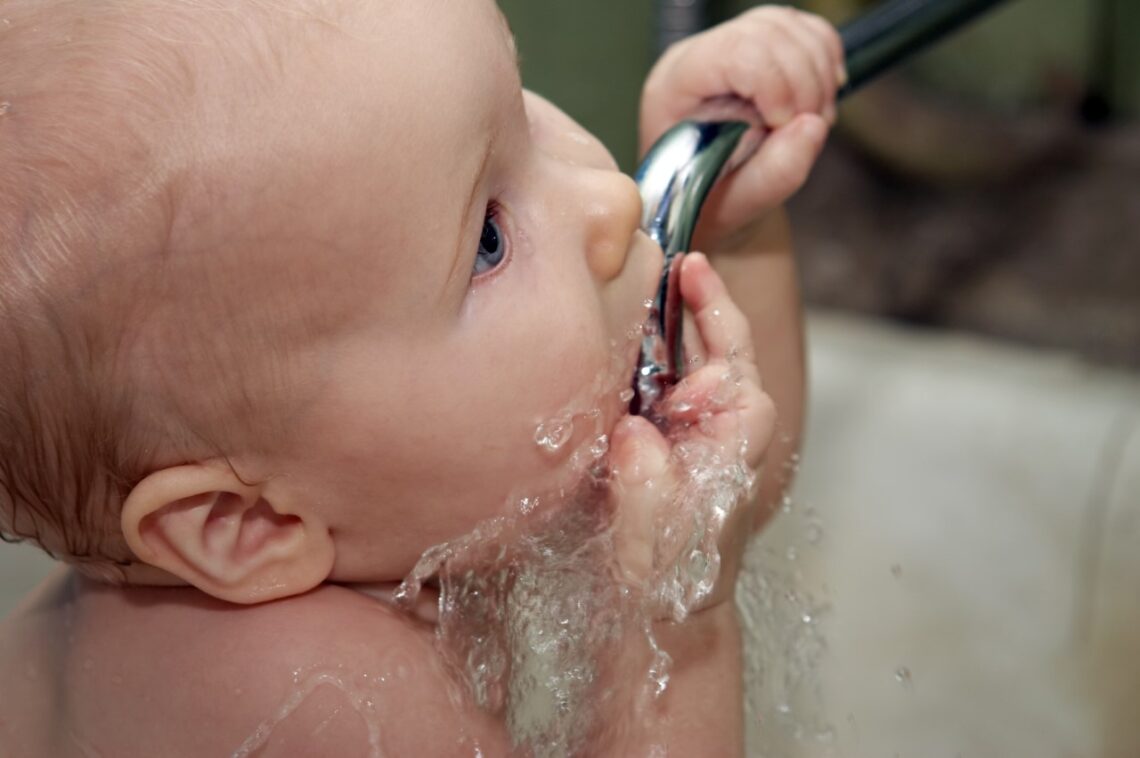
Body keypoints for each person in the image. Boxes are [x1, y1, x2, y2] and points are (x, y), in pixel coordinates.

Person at [0, 0, 842, 754]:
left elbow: (729, 495)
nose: (607, 200)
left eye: (521, 109)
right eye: (487, 239)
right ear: (243, 523)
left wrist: (729, 229)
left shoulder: (364, 490)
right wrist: (673, 631)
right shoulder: (319, 698)